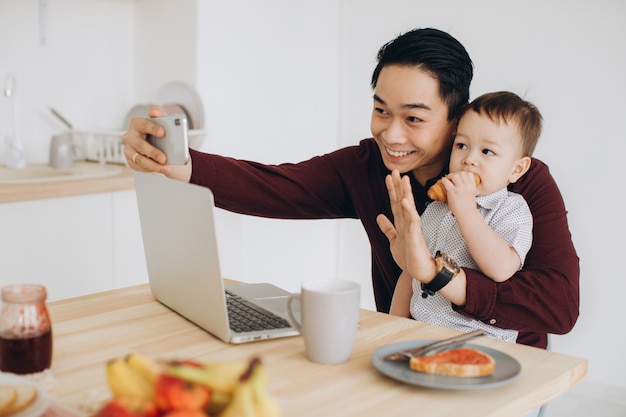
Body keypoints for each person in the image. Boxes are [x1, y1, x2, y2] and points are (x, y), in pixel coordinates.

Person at [122, 27, 579, 350]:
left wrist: (436, 274)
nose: (392, 134)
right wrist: (178, 162)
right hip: (406, 350)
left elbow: (559, 309)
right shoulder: (366, 167)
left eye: (414, 119)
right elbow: (276, 186)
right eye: (382, 111)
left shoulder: (521, 183)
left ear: (455, 120)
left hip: (506, 366)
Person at [388, 91, 542, 343]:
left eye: (487, 152)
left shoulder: (512, 209)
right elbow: (413, 272)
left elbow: (501, 269)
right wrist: (393, 326)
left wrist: (466, 211)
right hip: (421, 332)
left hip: (479, 341)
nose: (469, 159)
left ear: (516, 169)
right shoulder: (436, 208)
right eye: (461, 146)